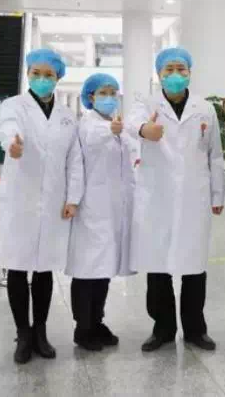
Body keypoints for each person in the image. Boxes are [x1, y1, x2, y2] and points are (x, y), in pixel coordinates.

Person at [0, 49, 84, 364]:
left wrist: (73, 198)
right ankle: (23, 333)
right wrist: (11, 144)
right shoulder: (15, 106)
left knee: (44, 269)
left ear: (58, 78)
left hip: (54, 201)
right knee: (17, 266)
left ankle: (40, 331)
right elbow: (8, 127)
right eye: (36, 73)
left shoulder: (67, 116)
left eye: (48, 75)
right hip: (21, 199)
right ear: (28, 74)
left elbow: (75, 160)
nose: (42, 79)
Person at [126, 47, 225, 352]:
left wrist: (218, 193)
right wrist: (145, 129)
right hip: (158, 196)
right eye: (168, 69)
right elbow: (131, 123)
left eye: (181, 69)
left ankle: (195, 330)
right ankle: (163, 329)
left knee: (194, 265)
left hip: (195, 196)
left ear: (190, 73)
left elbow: (215, 154)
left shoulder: (204, 108)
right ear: (159, 74)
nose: (175, 75)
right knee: (158, 265)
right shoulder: (146, 104)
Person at [65, 73, 135, 352]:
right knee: (86, 270)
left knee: (103, 270)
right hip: (90, 207)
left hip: (113, 209)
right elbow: (91, 141)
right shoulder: (87, 125)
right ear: (90, 96)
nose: (109, 97)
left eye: (113, 93)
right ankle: (82, 328)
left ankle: (97, 321)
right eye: (103, 93)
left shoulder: (114, 126)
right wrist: (113, 130)